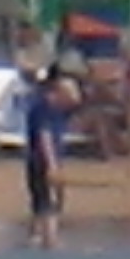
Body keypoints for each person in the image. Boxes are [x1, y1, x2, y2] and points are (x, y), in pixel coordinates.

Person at [21, 63, 81, 248]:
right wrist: (52, 165)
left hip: (49, 159)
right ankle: (50, 240)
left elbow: (76, 102)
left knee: (42, 203)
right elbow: (44, 137)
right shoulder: (43, 108)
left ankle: (35, 237)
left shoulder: (58, 109)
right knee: (48, 203)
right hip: (42, 161)